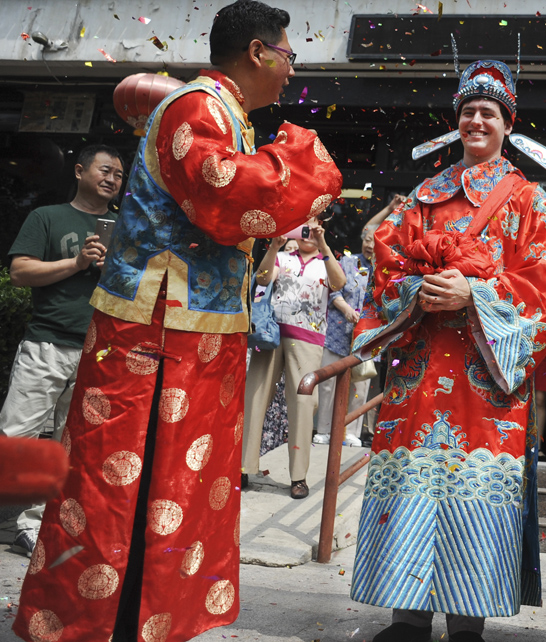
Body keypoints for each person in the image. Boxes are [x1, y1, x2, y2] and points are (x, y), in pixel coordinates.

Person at [12, 2, 343, 641]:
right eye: (287, 54)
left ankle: (147, 618)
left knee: (175, 487)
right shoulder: (197, 107)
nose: (288, 67)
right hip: (160, 335)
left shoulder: (223, 112)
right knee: (135, 489)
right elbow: (225, 196)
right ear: (257, 52)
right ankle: (106, 622)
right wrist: (303, 161)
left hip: (191, 330)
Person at [349, 58, 546, 642]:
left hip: (486, 377)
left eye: (488, 113)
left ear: (508, 124)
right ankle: (406, 618)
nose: (477, 120)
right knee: (414, 485)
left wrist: (476, 292)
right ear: (455, 121)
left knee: (474, 493)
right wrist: (419, 292)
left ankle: (467, 621)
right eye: (468, 111)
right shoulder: (420, 196)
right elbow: (383, 271)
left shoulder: (531, 202)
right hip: (420, 373)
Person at [1, 144, 124, 558]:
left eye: (119, 175)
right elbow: (19, 272)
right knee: (14, 435)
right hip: (47, 343)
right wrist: (75, 263)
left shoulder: (124, 227)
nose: (112, 179)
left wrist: (116, 274)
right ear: (79, 171)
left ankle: (32, 526)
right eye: (105, 170)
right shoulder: (48, 217)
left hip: (99, 352)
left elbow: (141, 292)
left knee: (69, 445)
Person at [242, 222, 346, 499]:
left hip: (309, 338)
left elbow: (339, 283)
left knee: (303, 403)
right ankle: (243, 466)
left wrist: (324, 247)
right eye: (303, 227)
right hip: (271, 333)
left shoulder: (326, 261)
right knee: (255, 395)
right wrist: (274, 245)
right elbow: (263, 279)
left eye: (314, 228)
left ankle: (298, 476)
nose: (308, 233)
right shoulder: (282, 256)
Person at [313, 225, 376, 448]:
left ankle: (351, 432)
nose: (370, 245)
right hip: (338, 331)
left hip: (367, 335)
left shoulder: (386, 269)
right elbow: (334, 291)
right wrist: (346, 309)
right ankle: (323, 430)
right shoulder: (348, 262)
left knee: (359, 386)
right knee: (328, 382)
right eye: (368, 239)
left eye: (376, 242)